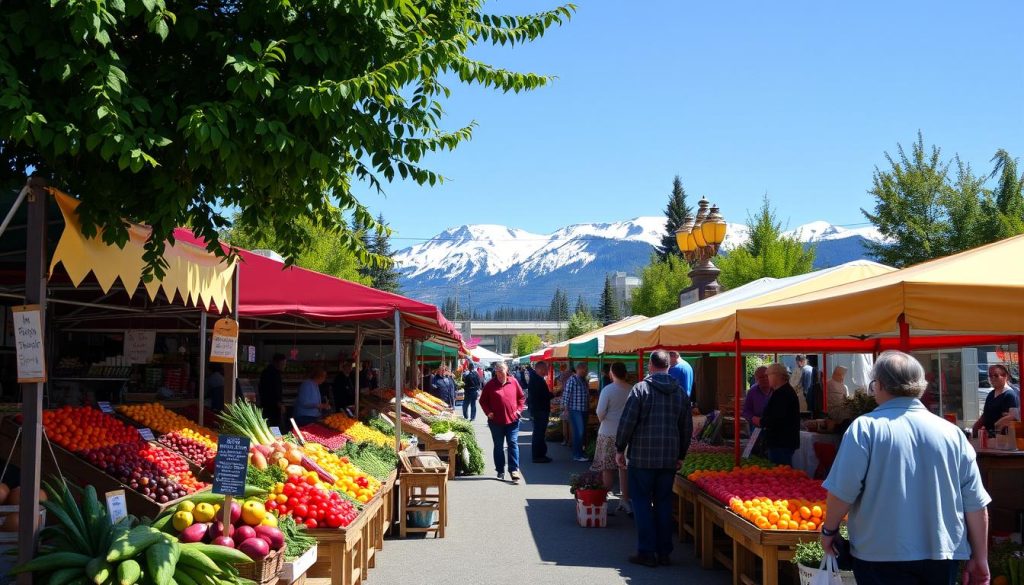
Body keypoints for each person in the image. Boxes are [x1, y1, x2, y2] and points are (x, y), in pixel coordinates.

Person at [820, 350, 991, 585]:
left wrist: (829, 530)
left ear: (878, 385)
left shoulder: (865, 428)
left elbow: (843, 490)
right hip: (942, 552)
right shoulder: (953, 433)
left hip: (879, 554)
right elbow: (975, 503)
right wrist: (981, 557)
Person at [615, 350, 692, 568]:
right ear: (669, 366)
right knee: (664, 504)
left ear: (650, 366)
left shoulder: (641, 389)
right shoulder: (679, 392)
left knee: (640, 503)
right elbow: (686, 428)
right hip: (668, 458)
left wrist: (620, 448)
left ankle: (646, 551)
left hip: (642, 457)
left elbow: (627, 422)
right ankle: (665, 552)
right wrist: (681, 455)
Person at [593, 362, 632, 514]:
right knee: (624, 468)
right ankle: (624, 499)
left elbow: (600, 412)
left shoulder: (608, 390)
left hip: (608, 432)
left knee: (607, 468)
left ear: (612, 373)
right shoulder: (632, 389)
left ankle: (603, 500)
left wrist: (605, 418)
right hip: (627, 434)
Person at [479, 362, 526, 483]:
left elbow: (521, 397)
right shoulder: (490, 385)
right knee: (499, 446)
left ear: (507, 371)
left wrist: (519, 410)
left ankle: (514, 470)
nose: (499, 373)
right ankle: (500, 469)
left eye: (501, 371)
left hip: (513, 421)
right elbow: (482, 401)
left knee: (512, 443)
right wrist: (488, 412)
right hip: (496, 422)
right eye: (497, 371)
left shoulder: (513, 382)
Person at [759, 363, 800, 466]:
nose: (767, 378)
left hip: (781, 442)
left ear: (776, 376)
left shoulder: (783, 394)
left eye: (768, 375)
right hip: (782, 441)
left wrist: (761, 421)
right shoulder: (781, 391)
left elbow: (777, 419)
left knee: (781, 472)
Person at [972, 364, 1020, 435]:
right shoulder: (991, 394)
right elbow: (986, 414)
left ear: (1005, 376)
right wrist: (976, 427)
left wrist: (997, 425)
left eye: (996, 375)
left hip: (1003, 438)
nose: (992, 378)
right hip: (988, 435)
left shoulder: (1009, 394)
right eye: (990, 376)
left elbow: (1014, 416)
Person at [563, 362, 591, 462]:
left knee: (582, 432)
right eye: (586, 370)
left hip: (583, 409)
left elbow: (586, 394)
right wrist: (566, 409)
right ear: (580, 369)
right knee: (578, 432)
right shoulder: (573, 379)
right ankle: (577, 454)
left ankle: (580, 452)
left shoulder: (584, 380)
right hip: (575, 410)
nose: (587, 372)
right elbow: (566, 394)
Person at [527, 361, 554, 463]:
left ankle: (540, 454)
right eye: (545, 369)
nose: (547, 371)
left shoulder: (536, 378)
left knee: (539, 433)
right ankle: (538, 456)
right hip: (540, 410)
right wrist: (552, 394)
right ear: (540, 369)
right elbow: (542, 396)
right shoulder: (537, 380)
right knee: (539, 433)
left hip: (538, 410)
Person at [258, 353, 286, 427]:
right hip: (270, 407)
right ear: (276, 363)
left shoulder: (275, 373)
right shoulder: (269, 374)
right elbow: (269, 391)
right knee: (272, 424)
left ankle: (275, 437)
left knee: (274, 425)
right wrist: (278, 403)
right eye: (282, 364)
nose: (284, 366)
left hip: (273, 406)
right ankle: (275, 438)